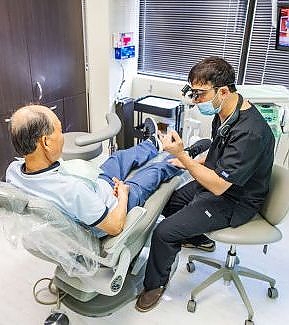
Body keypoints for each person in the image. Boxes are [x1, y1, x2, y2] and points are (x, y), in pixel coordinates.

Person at [135, 56, 275, 312]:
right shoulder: (225, 112)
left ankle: (154, 285)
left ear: (223, 90)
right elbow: (220, 150)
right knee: (168, 202)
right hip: (218, 183)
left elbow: (221, 186)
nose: (195, 100)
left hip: (235, 200)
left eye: (199, 94)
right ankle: (201, 239)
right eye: (192, 93)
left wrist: (184, 158)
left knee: (164, 232)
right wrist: (196, 159)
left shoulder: (250, 132)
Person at [6, 105, 181, 238]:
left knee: (118, 158)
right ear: (45, 142)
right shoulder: (72, 191)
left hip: (94, 188)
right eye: (60, 131)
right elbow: (115, 226)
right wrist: (123, 195)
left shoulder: (13, 171)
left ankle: (152, 144)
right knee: (152, 172)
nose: (63, 136)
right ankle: (181, 159)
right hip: (111, 207)